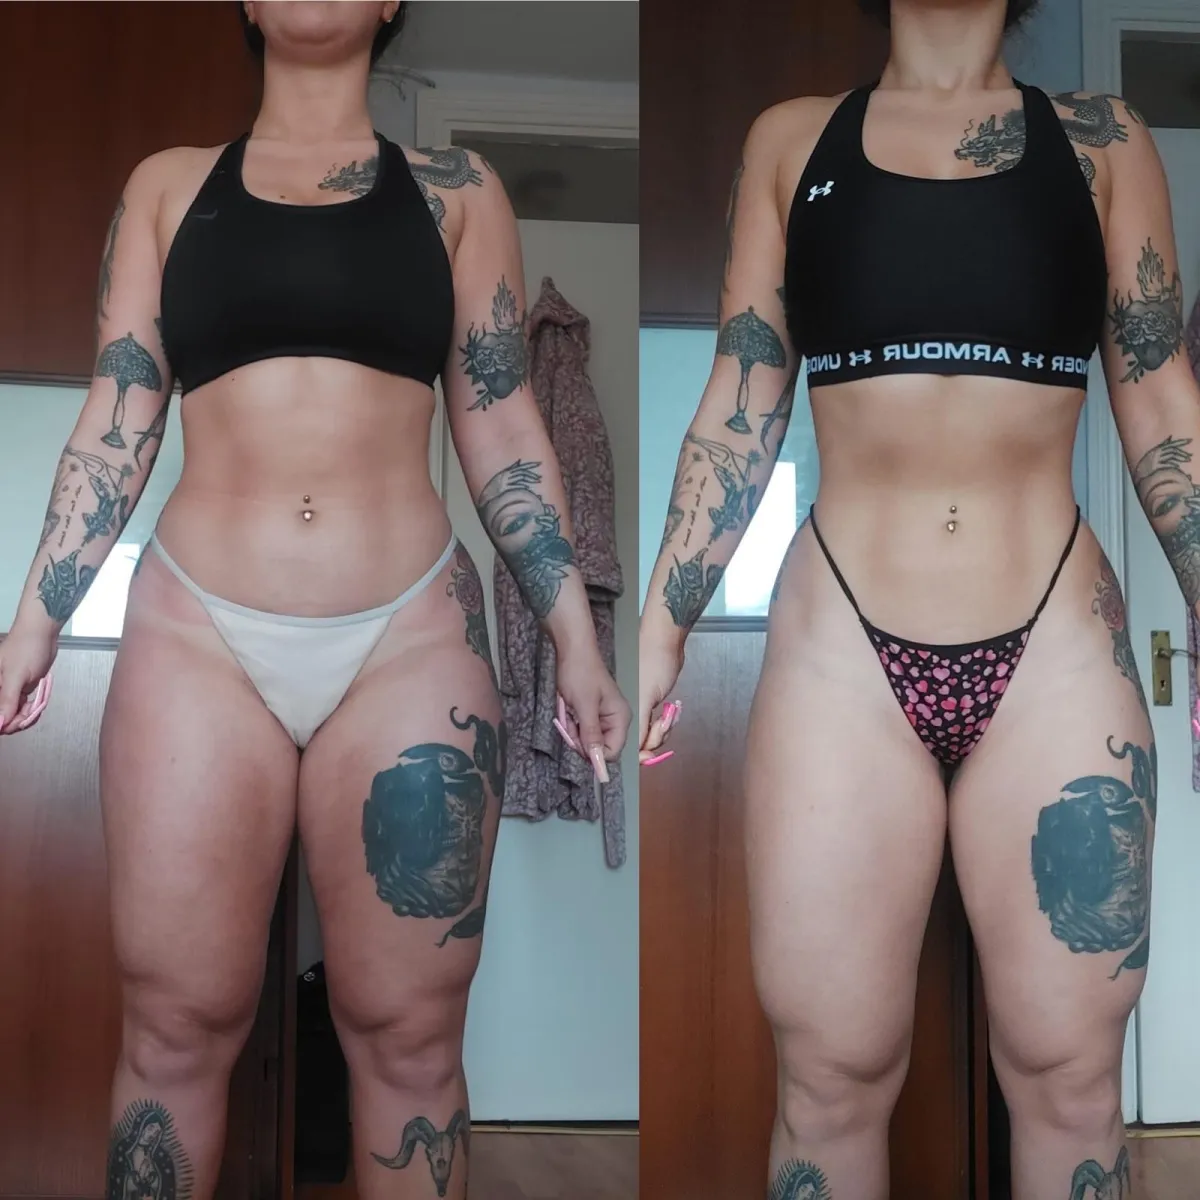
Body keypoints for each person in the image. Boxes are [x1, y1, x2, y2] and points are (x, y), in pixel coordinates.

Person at [0, 4, 629, 1198]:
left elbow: (501, 422)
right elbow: (120, 414)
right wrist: (34, 621)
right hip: (198, 637)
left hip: (408, 642)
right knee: (175, 1025)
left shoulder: (458, 192)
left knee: (410, 1039)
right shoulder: (168, 189)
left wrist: (575, 640)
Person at [639, 1, 1198, 1196]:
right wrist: (658, 626)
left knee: (1072, 1078)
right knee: (829, 1079)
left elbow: (1160, 398)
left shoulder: (1105, 141)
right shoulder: (792, 140)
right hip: (843, 650)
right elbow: (743, 397)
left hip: (1056, 646)